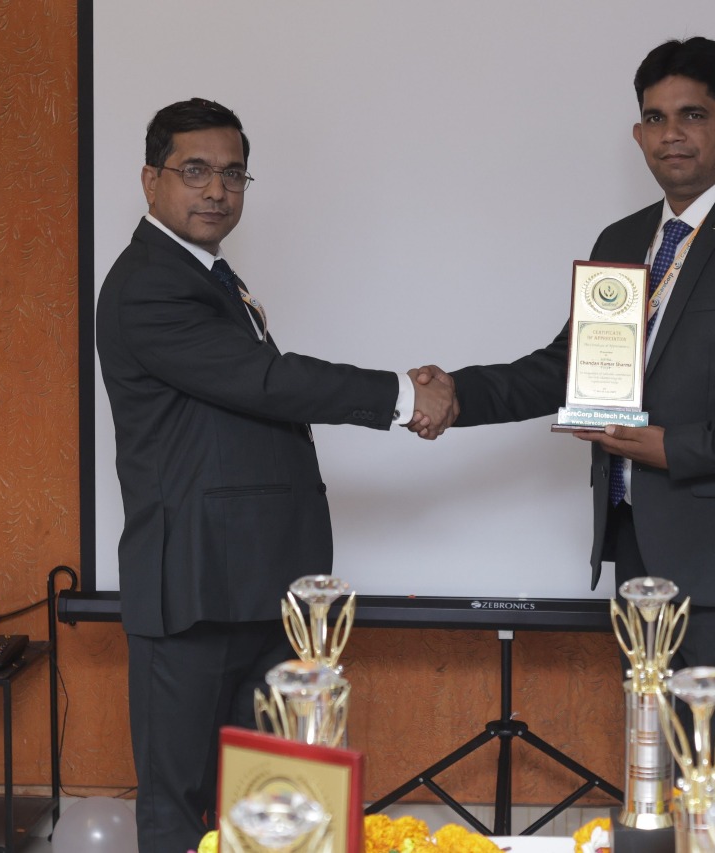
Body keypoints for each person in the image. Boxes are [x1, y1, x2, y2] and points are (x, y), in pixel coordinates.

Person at [413, 38, 715, 799]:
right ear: (638, 133)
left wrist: (678, 448)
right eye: (654, 118)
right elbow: (567, 368)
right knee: (657, 778)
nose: (671, 134)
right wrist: (457, 394)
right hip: (640, 555)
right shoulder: (621, 240)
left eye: (693, 116)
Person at [96, 98, 457, 852]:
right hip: (193, 591)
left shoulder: (211, 276)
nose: (216, 190)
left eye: (233, 174)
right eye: (195, 171)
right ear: (150, 180)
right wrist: (400, 396)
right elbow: (267, 382)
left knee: (270, 809)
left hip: (254, 587)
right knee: (180, 813)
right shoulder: (149, 283)